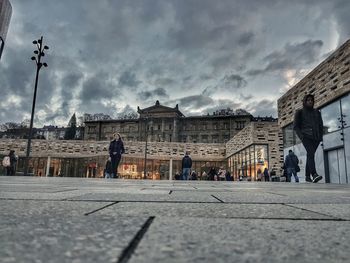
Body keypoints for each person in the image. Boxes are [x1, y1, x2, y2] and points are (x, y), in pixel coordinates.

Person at [294, 94, 323, 183]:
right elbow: (296, 126)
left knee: (310, 155)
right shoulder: (299, 112)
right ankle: (314, 174)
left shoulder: (317, 112)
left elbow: (321, 125)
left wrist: (320, 136)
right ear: (305, 101)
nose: (310, 101)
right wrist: (302, 137)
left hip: (316, 138)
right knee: (311, 154)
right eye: (308, 100)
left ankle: (307, 176)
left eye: (311, 100)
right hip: (306, 136)